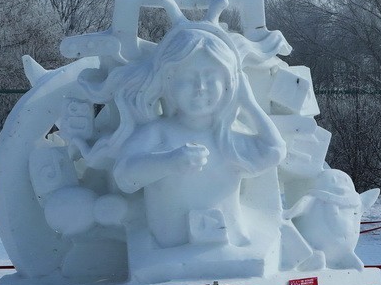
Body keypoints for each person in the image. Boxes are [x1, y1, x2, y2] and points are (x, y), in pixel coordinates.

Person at [106, 24, 286, 249]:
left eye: (211, 78)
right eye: (189, 78)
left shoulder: (226, 139)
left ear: (229, 85)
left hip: (230, 245)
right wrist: (168, 163)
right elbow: (124, 177)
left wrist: (248, 104)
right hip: (171, 247)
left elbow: (274, 152)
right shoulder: (158, 133)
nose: (200, 87)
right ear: (168, 82)